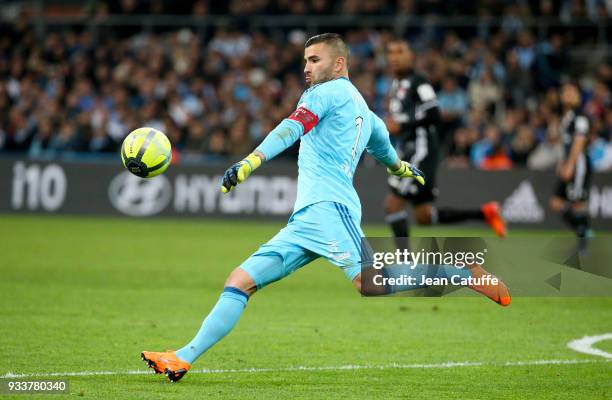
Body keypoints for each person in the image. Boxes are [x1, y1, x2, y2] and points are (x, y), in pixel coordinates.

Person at [141, 34, 510, 383]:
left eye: (314, 59)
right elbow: (385, 151)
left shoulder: (324, 93)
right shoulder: (367, 113)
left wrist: (250, 162)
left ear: (338, 64)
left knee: (371, 283)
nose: (306, 67)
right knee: (240, 281)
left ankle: (461, 272)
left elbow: (291, 128)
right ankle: (183, 356)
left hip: (332, 209)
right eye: (304, 60)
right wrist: (401, 169)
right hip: (306, 218)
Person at [383, 39, 506, 251]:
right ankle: (485, 213)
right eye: (391, 52)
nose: (394, 57)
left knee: (392, 205)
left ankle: (404, 263)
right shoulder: (398, 85)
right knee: (424, 216)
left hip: (420, 150)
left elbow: (434, 112)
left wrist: (402, 123)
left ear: (410, 56)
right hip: (411, 148)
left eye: (400, 51)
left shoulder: (418, 82)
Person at [549, 82, 593, 253]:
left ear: (578, 97)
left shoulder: (580, 117)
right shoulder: (566, 118)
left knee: (577, 203)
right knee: (555, 203)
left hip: (578, 163)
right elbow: (564, 144)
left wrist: (570, 164)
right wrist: (562, 162)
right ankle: (584, 231)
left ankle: (584, 243)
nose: (567, 94)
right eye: (565, 91)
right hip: (569, 162)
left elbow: (579, 142)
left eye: (571, 91)